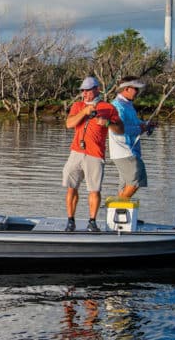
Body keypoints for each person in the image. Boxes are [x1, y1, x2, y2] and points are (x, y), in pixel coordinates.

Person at [62, 76, 122, 232]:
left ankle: (92, 222)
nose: (84, 93)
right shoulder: (77, 105)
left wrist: (107, 123)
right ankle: (70, 221)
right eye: (83, 90)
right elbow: (69, 124)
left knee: (94, 190)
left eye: (88, 90)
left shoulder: (108, 108)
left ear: (96, 89)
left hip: (95, 154)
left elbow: (121, 130)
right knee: (71, 187)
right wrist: (84, 111)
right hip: (76, 152)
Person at [108, 76, 156, 200]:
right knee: (136, 181)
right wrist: (141, 129)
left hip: (129, 151)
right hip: (124, 151)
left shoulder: (127, 104)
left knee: (125, 185)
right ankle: (118, 208)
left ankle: (120, 215)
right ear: (127, 89)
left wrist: (146, 125)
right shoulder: (117, 106)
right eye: (135, 89)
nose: (137, 92)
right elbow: (121, 129)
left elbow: (133, 122)